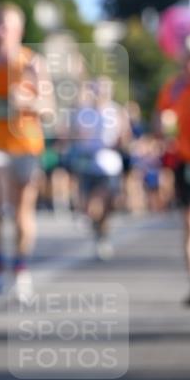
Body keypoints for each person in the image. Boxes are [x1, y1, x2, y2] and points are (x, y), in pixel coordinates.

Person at [0, 3, 53, 298]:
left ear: (20, 30)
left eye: (7, 25)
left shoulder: (33, 63)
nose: (2, 31)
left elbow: (49, 109)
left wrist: (27, 102)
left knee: (22, 212)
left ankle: (20, 269)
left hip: (26, 145)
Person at [155, 35, 190, 306]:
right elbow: (161, 121)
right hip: (186, 163)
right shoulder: (173, 89)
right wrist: (163, 128)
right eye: (187, 60)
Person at [67, 77, 131, 260]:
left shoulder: (116, 111)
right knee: (91, 204)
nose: (100, 93)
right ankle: (97, 230)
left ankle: (102, 234)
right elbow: (72, 134)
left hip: (109, 165)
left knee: (106, 205)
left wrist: (122, 141)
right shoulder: (83, 111)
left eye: (104, 89)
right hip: (87, 164)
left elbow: (125, 137)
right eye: (97, 89)